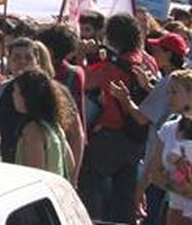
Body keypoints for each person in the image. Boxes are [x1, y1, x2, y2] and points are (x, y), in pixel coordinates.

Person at [82, 13, 158, 222]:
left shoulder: (113, 67)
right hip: (137, 138)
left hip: (109, 135)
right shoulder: (148, 61)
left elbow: (85, 81)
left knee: (92, 186)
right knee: (125, 196)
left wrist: (82, 57)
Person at [11, 68, 75, 180]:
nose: (13, 95)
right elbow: (70, 165)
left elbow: (36, 174)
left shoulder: (32, 130)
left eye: (16, 91)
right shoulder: (55, 127)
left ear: (27, 96)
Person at [147, 70, 192, 225]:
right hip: (175, 213)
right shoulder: (169, 129)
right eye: (168, 92)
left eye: (174, 92)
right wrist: (179, 189)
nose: (169, 98)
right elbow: (154, 172)